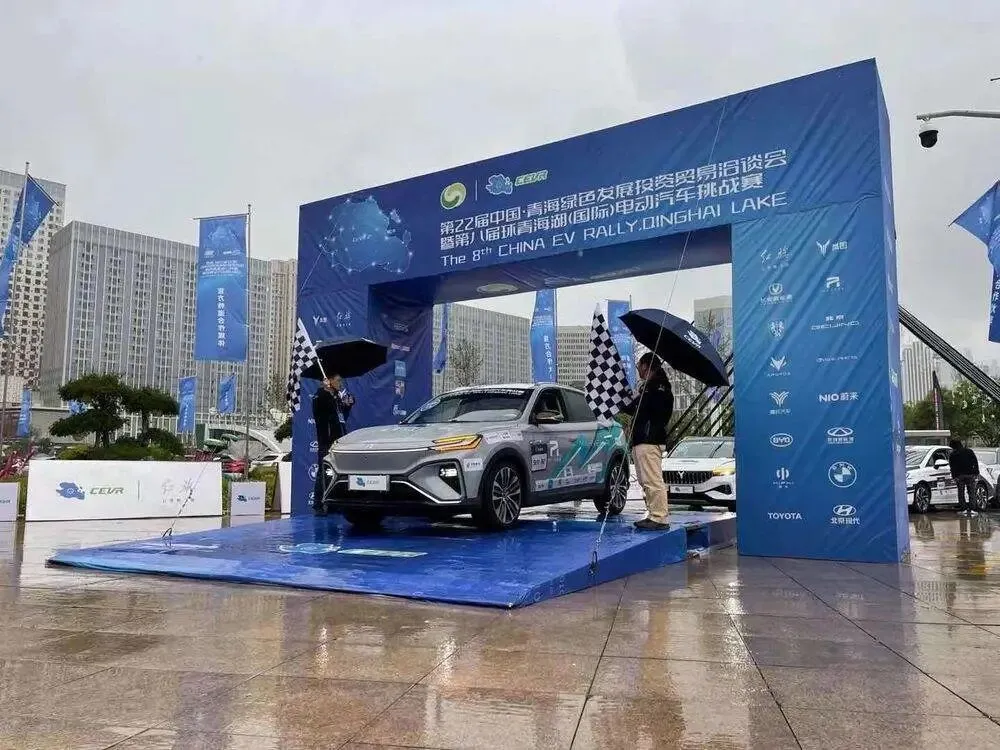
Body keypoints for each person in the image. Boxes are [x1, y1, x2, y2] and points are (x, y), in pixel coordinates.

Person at [621, 352, 674, 530]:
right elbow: (634, 408)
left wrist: (645, 391)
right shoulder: (649, 388)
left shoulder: (659, 388)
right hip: (642, 439)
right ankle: (653, 514)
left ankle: (659, 517)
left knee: (652, 479)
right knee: (645, 480)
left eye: (639, 366)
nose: (637, 369)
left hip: (649, 439)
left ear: (646, 365)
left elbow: (651, 410)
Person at [311, 373, 354, 513]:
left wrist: (348, 404)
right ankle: (319, 505)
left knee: (337, 472)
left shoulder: (335, 397)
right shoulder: (321, 396)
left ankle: (334, 503)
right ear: (329, 381)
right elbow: (324, 410)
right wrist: (328, 391)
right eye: (338, 381)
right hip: (327, 441)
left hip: (338, 440)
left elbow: (340, 414)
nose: (340, 384)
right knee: (324, 472)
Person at [948, 438, 980, 517]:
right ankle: (972, 509)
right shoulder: (969, 451)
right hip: (970, 474)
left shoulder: (953, 454)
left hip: (959, 476)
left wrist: (954, 476)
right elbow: (975, 462)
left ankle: (963, 509)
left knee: (961, 492)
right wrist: (976, 472)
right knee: (971, 492)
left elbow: (952, 466)